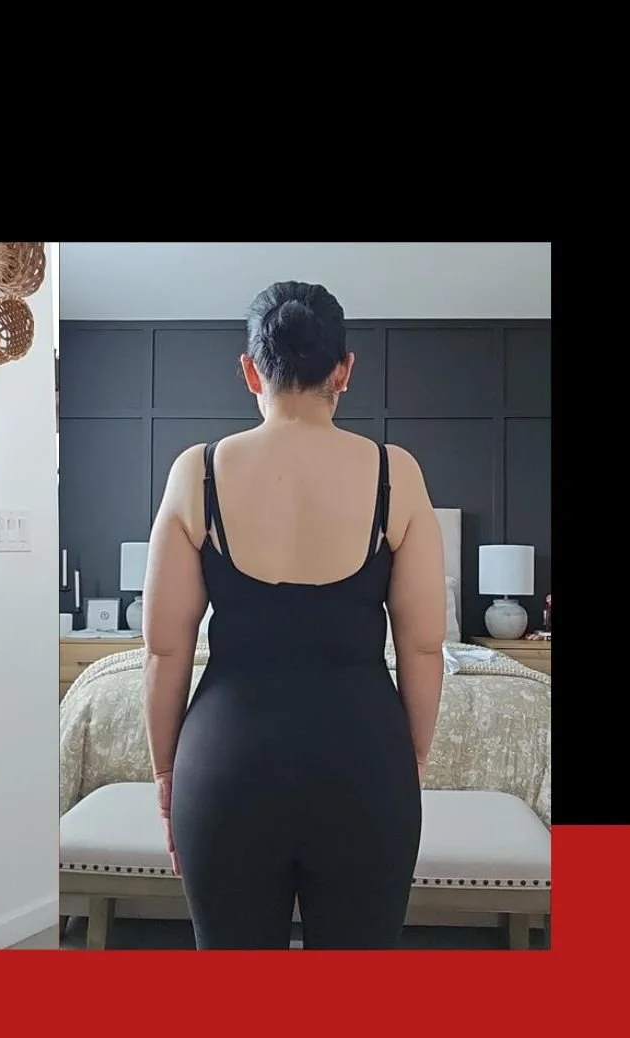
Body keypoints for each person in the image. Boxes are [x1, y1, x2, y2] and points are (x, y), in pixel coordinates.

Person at [139, 281, 446, 950]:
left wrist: (168, 776)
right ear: (345, 370)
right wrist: (410, 759)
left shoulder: (198, 473)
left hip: (225, 769)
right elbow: (423, 648)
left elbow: (164, 650)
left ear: (250, 369)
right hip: (365, 763)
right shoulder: (399, 474)